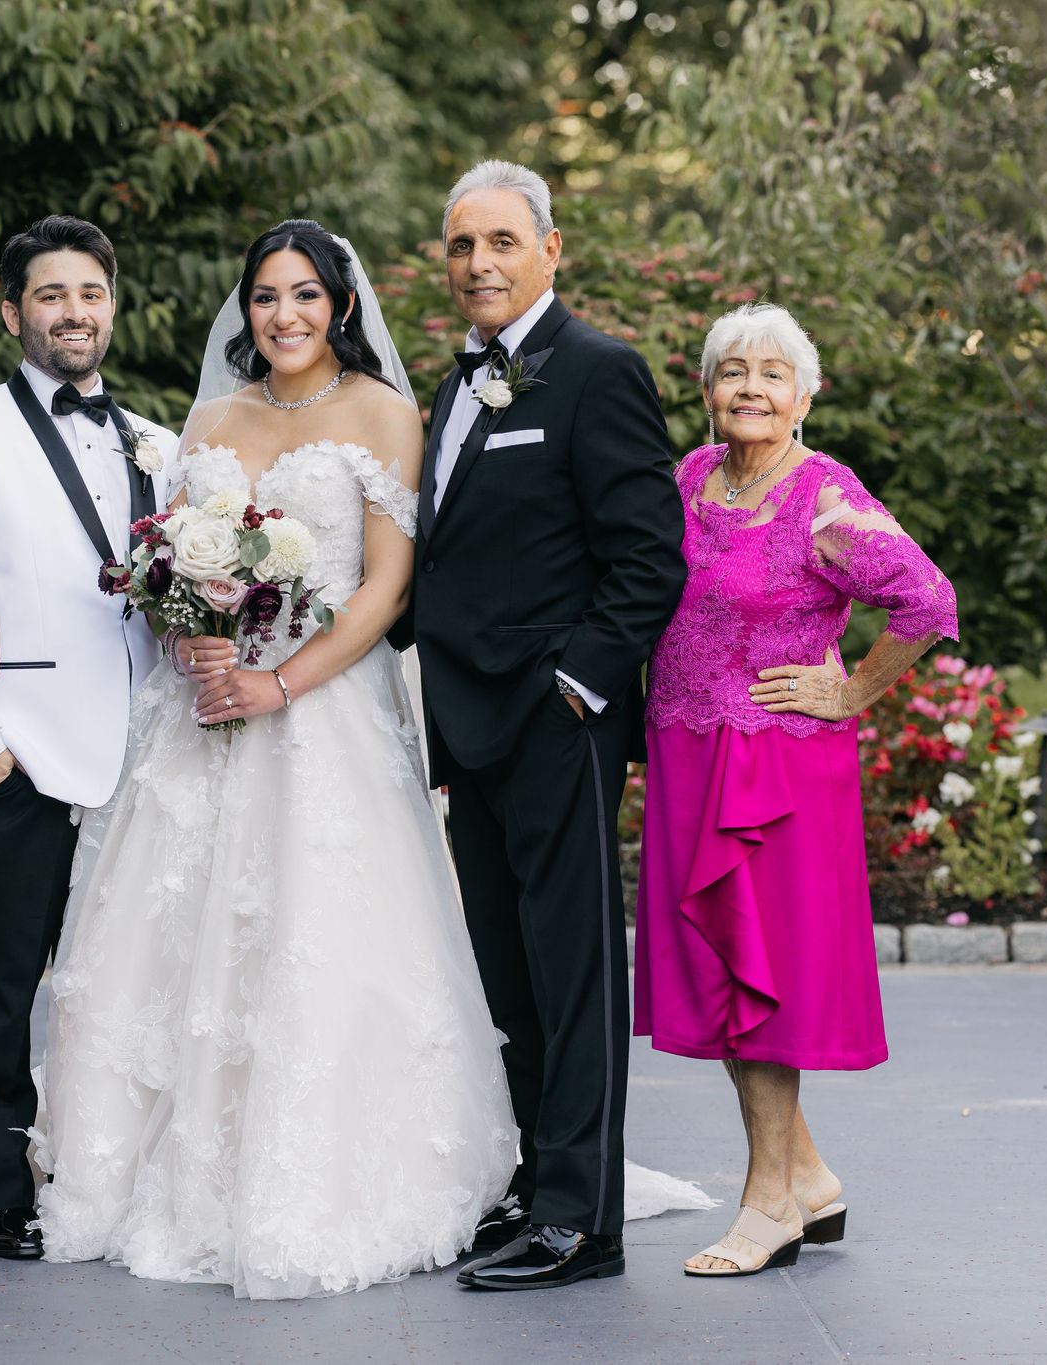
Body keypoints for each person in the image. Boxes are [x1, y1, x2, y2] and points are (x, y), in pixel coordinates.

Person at [32, 218, 518, 1300]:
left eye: (304, 294)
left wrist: (281, 681)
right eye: (265, 296)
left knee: (309, 930)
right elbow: (164, 563)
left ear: (339, 305)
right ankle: (145, 1171)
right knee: (170, 933)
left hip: (322, 713)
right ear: (244, 310)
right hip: (199, 713)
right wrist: (188, 634)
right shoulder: (210, 417)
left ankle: (312, 1176)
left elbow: (385, 587)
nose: (284, 315)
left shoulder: (384, 413)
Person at [404, 160, 689, 1291]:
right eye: (460, 245)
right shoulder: (452, 386)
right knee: (506, 969)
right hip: (465, 721)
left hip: (554, 720)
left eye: (501, 242)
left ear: (550, 249)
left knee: (573, 975)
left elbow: (648, 557)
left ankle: (583, 1219)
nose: (478, 263)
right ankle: (534, 1183)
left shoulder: (598, 371)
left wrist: (577, 687)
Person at [637, 303, 957, 1276]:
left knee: (763, 986)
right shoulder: (689, 477)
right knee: (727, 979)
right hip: (689, 754)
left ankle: (768, 1202)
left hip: (774, 768)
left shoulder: (824, 496)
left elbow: (926, 600)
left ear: (804, 396)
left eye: (772, 374)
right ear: (704, 389)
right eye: (731, 371)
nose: (750, 388)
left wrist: (852, 690)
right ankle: (808, 1178)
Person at [0, 215, 177, 1261]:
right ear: (11, 311)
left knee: (119, 977)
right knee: (7, 981)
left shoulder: (154, 439)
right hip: (21, 740)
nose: (74, 312)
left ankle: (104, 1168)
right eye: (51, 295)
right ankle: (0, 1189)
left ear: (112, 306)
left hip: (144, 747)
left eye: (90, 294)